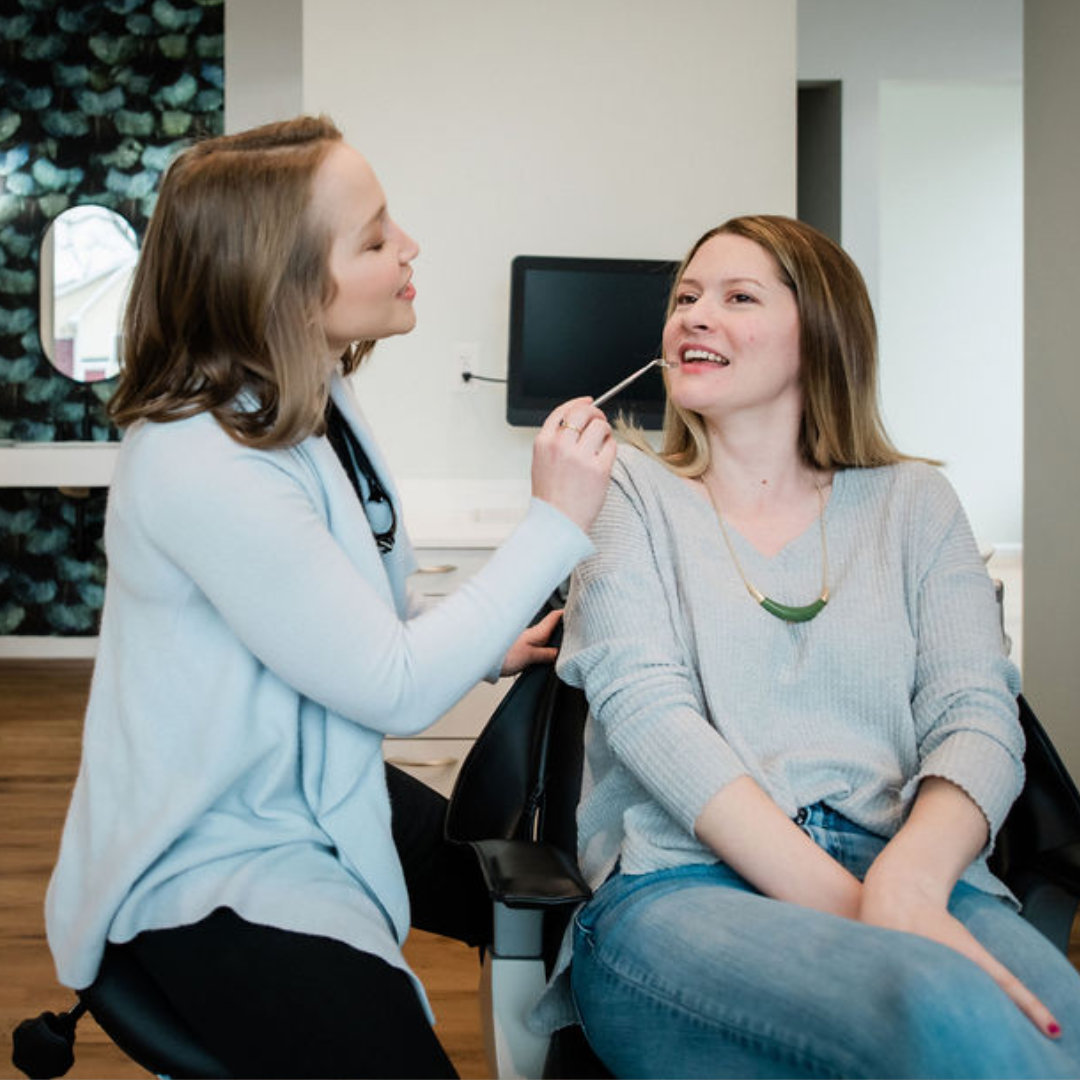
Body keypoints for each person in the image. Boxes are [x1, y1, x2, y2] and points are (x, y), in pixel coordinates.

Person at [44, 115, 615, 1079]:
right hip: (213, 852)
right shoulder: (199, 458)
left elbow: (338, 627)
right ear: (290, 284)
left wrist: (484, 645)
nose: (411, 247)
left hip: (302, 786)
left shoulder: (310, 405)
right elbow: (390, 687)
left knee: (583, 924)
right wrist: (554, 523)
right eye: (377, 236)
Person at [533, 215, 1080, 1078]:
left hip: (910, 865)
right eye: (685, 298)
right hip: (682, 887)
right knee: (940, 1012)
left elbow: (977, 714)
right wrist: (869, 919)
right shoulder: (625, 492)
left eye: (737, 296)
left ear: (821, 336)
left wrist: (906, 885)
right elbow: (649, 716)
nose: (692, 316)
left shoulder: (916, 504)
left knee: (1067, 1022)